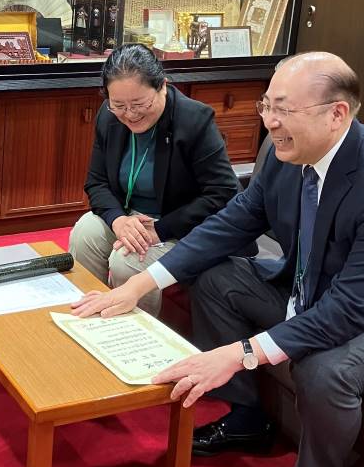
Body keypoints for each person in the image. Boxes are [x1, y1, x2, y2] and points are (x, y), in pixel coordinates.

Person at [72, 52, 364, 467]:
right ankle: (247, 420)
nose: (270, 121)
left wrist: (239, 354)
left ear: (336, 114)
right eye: (267, 106)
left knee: (323, 369)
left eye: (284, 109)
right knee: (216, 278)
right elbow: (230, 224)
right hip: (308, 293)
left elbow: (348, 310)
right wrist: (140, 284)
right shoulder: (284, 155)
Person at [69, 45, 241, 317]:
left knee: (127, 261)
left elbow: (222, 192)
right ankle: (88, 313)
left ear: (162, 86)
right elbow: (96, 182)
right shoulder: (108, 116)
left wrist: (159, 229)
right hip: (129, 217)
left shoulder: (194, 121)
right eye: (119, 105)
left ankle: (132, 334)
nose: (130, 114)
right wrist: (118, 220)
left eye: (140, 104)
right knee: (85, 233)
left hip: (179, 225)